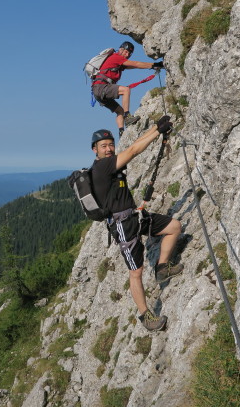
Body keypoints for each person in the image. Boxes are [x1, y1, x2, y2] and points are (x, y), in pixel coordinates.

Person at [90, 117, 183, 331]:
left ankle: (162, 267)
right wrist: (157, 131)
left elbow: (131, 148)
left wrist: (155, 128)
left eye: (111, 144)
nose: (108, 148)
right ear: (95, 150)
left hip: (135, 216)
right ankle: (145, 316)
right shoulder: (102, 167)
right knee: (136, 272)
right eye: (103, 146)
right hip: (123, 225)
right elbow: (132, 151)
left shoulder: (110, 165)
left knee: (174, 227)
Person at [92, 41, 164, 137]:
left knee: (119, 111)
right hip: (101, 87)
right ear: (121, 50)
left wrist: (152, 66)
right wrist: (154, 64)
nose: (127, 55)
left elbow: (135, 66)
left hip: (98, 91)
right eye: (126, 52)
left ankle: (121, 132)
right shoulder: (116, 57)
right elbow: (137, 64)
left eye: (129, 54)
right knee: (126, 90)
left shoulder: (119, 63)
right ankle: (128, 116)